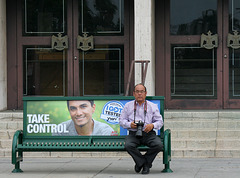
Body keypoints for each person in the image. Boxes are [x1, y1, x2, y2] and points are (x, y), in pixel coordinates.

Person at [119, 83, 163, 174]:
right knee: (128, 145)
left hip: (148, 133)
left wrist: (152, 126)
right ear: (134, 93)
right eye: (137, 92)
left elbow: (160, 122)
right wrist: (129, 124)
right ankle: (144, 163)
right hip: (133, 133)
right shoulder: (128, 105)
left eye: (142, 92)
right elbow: (121, 121)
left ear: (145, 93)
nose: (139, 94)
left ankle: (142, 163)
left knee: (158, 145)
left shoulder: (152, 106)